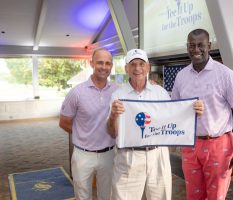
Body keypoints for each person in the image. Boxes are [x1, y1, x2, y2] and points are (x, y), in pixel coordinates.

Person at [107, 48, 204, 200]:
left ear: (148, 67)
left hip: (158, 155)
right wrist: (113, 116)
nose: (137, 68)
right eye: (132, 64)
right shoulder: (118, 96)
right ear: (126, 68)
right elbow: (112, 133)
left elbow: (173, 118)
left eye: (141, 64)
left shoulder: (160, 92)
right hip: (129, 156)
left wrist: (192, 111)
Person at [171, 29, 233, 200]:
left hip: (219, 146)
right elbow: (174, 110)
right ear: (187, 47)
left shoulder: (226, 74)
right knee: (193, 196)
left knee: (216, 196)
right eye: (192, 45)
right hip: (190, 145)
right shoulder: (181, 76)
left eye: (200, 45)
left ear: (209, 46)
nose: (196, 49)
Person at [59, 48, 118, 200]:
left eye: (107, 63)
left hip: (109, 154)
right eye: (100, 63)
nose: (104, 67)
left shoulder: (118, 91)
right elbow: (64, 122)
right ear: (91, 63)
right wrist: (83, 132)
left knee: (107, 196)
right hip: (83, 155)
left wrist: (149, 81)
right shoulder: (77, 92)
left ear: (111, 66)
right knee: (82, 196)